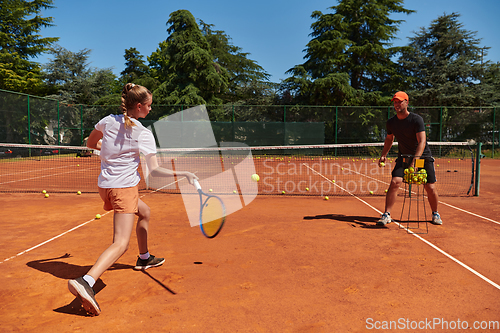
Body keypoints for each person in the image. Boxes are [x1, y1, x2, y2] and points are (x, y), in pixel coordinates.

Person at [68, 83, 197, 316]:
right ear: (139, 106)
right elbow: (155, 171)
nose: (150, 110)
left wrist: (109, 149)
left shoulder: (107, 121)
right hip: (124, 189)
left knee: (145, 212)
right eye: (149, 106)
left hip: (105, 186)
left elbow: (90, 144)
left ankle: (144, 258)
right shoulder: (143, 133)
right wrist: (184, 174)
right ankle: (87, 280)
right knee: (121, 243)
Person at [377, 91, 442, 226]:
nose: (396, 104)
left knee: (429, 186)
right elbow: (389, 138)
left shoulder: (416, 119)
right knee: (395, 182)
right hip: (404, 157)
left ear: (407, 103)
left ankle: (435, 213)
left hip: (422, 156)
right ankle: (386, 214)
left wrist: (414, 162)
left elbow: (422, 142)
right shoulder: (391, 122)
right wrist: (384, 154)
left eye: (400, 101)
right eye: (395, 102)